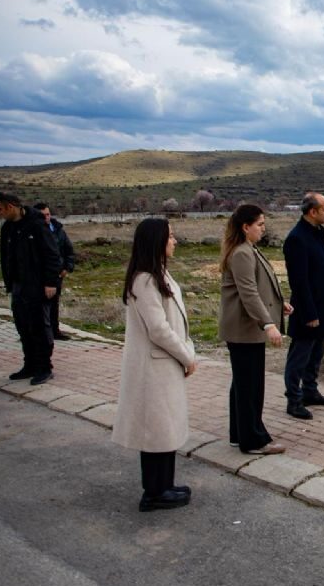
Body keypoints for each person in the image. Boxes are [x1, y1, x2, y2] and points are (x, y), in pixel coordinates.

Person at [112, 218, 198, 512]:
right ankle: (154, 492)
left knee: (165, 428)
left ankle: (165, 485)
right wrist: (187, 356)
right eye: (170, 236)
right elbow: (158, 329)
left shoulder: (157, 274)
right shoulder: (145, 280)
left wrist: (187, 351)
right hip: (154, 367)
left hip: (163, 364)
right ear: (156, 241)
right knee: (155, 430)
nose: (175, 241)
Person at [219, 204, 292, 454]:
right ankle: (253, 440)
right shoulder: (242, 253)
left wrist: (279, 304)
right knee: (250, 386)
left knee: (242, 384)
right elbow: (248, 293)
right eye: (259, 224)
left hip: (245, 329)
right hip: (244, 330)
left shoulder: (248, 249)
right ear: (245, 227)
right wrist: (268, 324)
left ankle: (239, 434)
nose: (263, 228)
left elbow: (259, 285)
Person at [282, 192, 324, 420]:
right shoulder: (297, 239)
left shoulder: (317, 235)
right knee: (300, 356)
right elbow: (299, 281)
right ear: (312, 211)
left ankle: (310, 391)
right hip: (309, 310)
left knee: (316, 353)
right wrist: (309, 313)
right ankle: (293, 399)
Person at [0, 192, 61, 386]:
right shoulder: (8, 228)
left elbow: (52, 254)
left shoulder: (37, 225)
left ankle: (44, 367)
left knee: (39, 327)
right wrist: (9, 282)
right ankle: (30, 365)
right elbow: (5, 256)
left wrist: (51, 282)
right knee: (23, 327)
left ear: (11, 207)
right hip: (18, 285)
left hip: (37, 285)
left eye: (0, 209)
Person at [33, 202, 76, 341]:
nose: (46, 217)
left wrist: (67, 268)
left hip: (56, 274)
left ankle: (54, 331)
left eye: (48, 214)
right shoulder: (32, 232)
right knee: (38, 305)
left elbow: (69, 251)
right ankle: (39, 333)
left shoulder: (58, 231)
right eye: (43, 215)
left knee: (53, 303)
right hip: (38, 275)